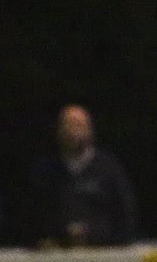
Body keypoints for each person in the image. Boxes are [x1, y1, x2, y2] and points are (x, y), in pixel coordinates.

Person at [29, 105, 138, 248]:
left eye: (79, 125)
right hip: (56, 258)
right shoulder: (46, 172)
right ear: (59, 130)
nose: (73, 132)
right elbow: (33, 216)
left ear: (90, 130)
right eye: (68, 125)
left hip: (103, 255)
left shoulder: (109, 169)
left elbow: (125, 214)